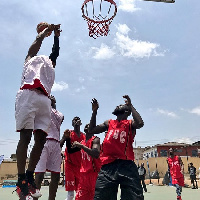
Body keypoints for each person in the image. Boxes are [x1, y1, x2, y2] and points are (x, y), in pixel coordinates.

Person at [15, 23, 61, 199]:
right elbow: (36, 41)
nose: (44, 59)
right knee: (25, 136)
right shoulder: (30, 58)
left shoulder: (50, 64)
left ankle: (29, 177)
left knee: (40, 139)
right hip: (27, 94)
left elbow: (55, 52)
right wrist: (45, 32)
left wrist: (57, 36)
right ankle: (21, 180)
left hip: (44, 99)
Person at [89, 95, 144, 200]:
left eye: (122, 105)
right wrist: (94, 112)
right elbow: (91, 130)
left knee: (134, 197)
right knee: (101, 197)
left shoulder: (129, 124)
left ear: (127, 111)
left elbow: (140, 123)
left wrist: (131, 106)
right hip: (108, 165)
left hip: (126, 165)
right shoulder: (109, 123)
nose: (119, 105)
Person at [33, 95, 64, 200]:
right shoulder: (42, 109)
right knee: (39, 174)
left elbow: (59, 118)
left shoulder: (60, 114)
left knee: (56, 175)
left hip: (56, 143)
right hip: (44, 141)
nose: (52, 96)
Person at [65, 124, 101, 200]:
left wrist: (82, 146)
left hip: (94, 175)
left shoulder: (95, 139)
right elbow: (70, 150)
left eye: (89, 125)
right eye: (86, 125)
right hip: (83, 176)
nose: (87, 126)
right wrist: (67, 138)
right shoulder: (82, 142)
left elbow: (96, 154)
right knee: (79, 198)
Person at [64, 117, 85, 200]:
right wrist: (81, 146)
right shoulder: (69, 134)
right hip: (70, 165)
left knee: (79, 192)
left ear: (81, 123)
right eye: (74, 120)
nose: (76, 121)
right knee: (70, 194)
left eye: (78, 119)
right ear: (72, 124)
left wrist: (81, 146)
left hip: (80, 165)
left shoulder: (84, 136)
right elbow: (69, 150)